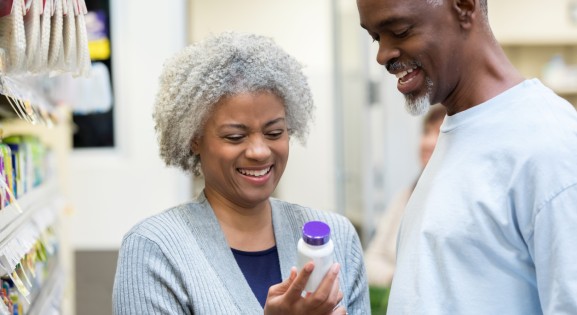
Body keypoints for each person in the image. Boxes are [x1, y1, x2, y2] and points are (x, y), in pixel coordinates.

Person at [112, 31, 370, 315]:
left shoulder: (337, 237)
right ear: (194, 138)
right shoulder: (154, 250)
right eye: (235, 136)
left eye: (274, 132)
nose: (259, 151)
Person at [356, 0, 577, 314]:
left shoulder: (550, 144)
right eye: (376, 37)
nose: (382, 55)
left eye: (400, 31)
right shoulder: (457, 132)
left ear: (463, 6)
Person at [364, 104, 445, 288]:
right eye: (426, 132)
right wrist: (396, 279)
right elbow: (371, 260)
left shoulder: (458, 204)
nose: (427, 143)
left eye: (440, 134)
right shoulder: (406, 196)